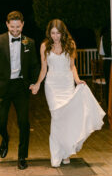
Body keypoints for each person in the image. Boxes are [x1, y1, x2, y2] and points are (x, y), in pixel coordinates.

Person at [30, 19, 105, 168]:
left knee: (66, 120)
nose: (55, 36)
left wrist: (77, 80)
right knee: (57, 118)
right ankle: (56, 154)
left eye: (58, 33)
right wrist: (38, 83)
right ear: (49, 33)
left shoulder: (70, 44)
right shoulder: (44, 46)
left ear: (63, 32)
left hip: (67, 85)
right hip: (52, 86)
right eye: (52, 33)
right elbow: (44, 68)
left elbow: (72, 66)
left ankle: (65, 152)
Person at [0, 11, 39, 170]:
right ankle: (5, 138)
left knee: (24, 123)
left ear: (23, 24)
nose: (15, 30)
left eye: (18, 27)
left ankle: (22, 157)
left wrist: (35, 83)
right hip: (2, 87)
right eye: (12, 27)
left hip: (21, 87)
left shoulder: (29, 42)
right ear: (7, 24)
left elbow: (34, 65)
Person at [99, 26, 112, 106]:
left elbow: (101, 52)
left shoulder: (104, 36)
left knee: (108, 84)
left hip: (107, 62)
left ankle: (109, 105)